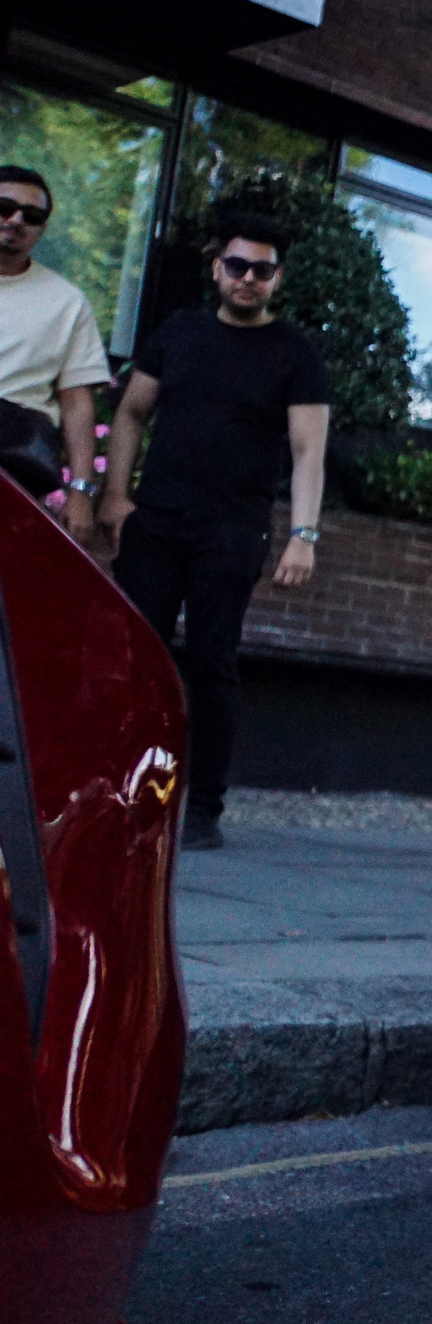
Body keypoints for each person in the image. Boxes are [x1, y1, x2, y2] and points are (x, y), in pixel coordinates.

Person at [99, 209, 330, 851]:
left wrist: (302, 535)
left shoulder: (295, 353)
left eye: (261, 269)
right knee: (136, 658)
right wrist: (115, 496)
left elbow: (309, 450)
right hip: (157, 521)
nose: (247, 278)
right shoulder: (178, 332)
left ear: (276, 278)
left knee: (211, 663)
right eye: (237, 265)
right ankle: (120, 792)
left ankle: (201, 809)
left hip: (232, 530)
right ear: (216, 269)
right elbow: (130, 414)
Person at [0, 166, 109, 545]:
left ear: (42, 229)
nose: (16, 220)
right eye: (5, 207)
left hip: (11, 462)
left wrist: (80, 493)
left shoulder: (67, 302)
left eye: (31, 216)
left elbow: (77, 401)